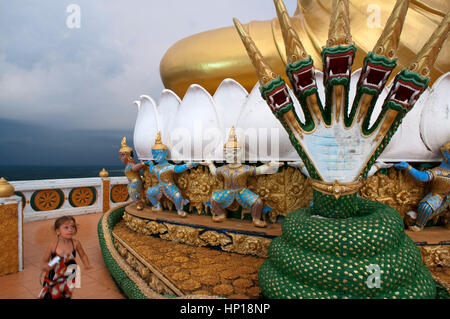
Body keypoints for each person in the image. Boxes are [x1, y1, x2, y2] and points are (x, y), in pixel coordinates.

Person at [202, 127, 281, 227]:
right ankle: (221, 215)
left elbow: (259, 170)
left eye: (234, 152)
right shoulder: (223, 169)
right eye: (228, 153)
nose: (231, 156)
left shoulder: (244, 168)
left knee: (258, 202)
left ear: (240, 153)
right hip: (228, 191)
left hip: (242, 191)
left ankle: (256, 219)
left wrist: (270, 165)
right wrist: (210, 164)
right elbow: (214, 172)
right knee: (213, 199)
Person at [394, 141, 450, 231]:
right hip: (438, 196)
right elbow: (422, 177)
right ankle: (419, 225)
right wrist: (408, 167)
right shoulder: (438, 171)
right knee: (425, 207)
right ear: (446, 154)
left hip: (447, 197)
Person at [145, 132, 198, 217]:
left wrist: (190, 164)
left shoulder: (169, 167)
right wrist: (151, 163)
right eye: (153, 154)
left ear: (165, 153)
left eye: (158, 153)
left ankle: (179, 210)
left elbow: (178, 169)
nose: (155, 156)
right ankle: (157, 206)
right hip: (160, 187)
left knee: (177, 196)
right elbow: (151, 171)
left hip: (169, 186)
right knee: (148, 192)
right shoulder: (156, 167)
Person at [38, 216, 92, 299]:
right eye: (66, 228)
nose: (70, 230)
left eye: (73, 227)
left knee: (66, 294)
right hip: (54, 274)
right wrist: (46, 266)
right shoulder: (53, 245)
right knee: (49, 294)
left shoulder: (75, 243)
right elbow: (44, 261)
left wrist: (86, 264)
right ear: (58, 231)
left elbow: (83, 254)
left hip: (70, 274)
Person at [120, 137, 146, 210]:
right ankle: (139, 202)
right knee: (133, 193)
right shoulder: (129, 164)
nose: (121, 157)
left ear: (128, 155)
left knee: (133, 192)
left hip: (136, 181)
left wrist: (143, 164)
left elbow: (134, 168)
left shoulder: (131, 165)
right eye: (121, 155)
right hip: (132, 182)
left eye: (122, 155)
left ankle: (139, 203)